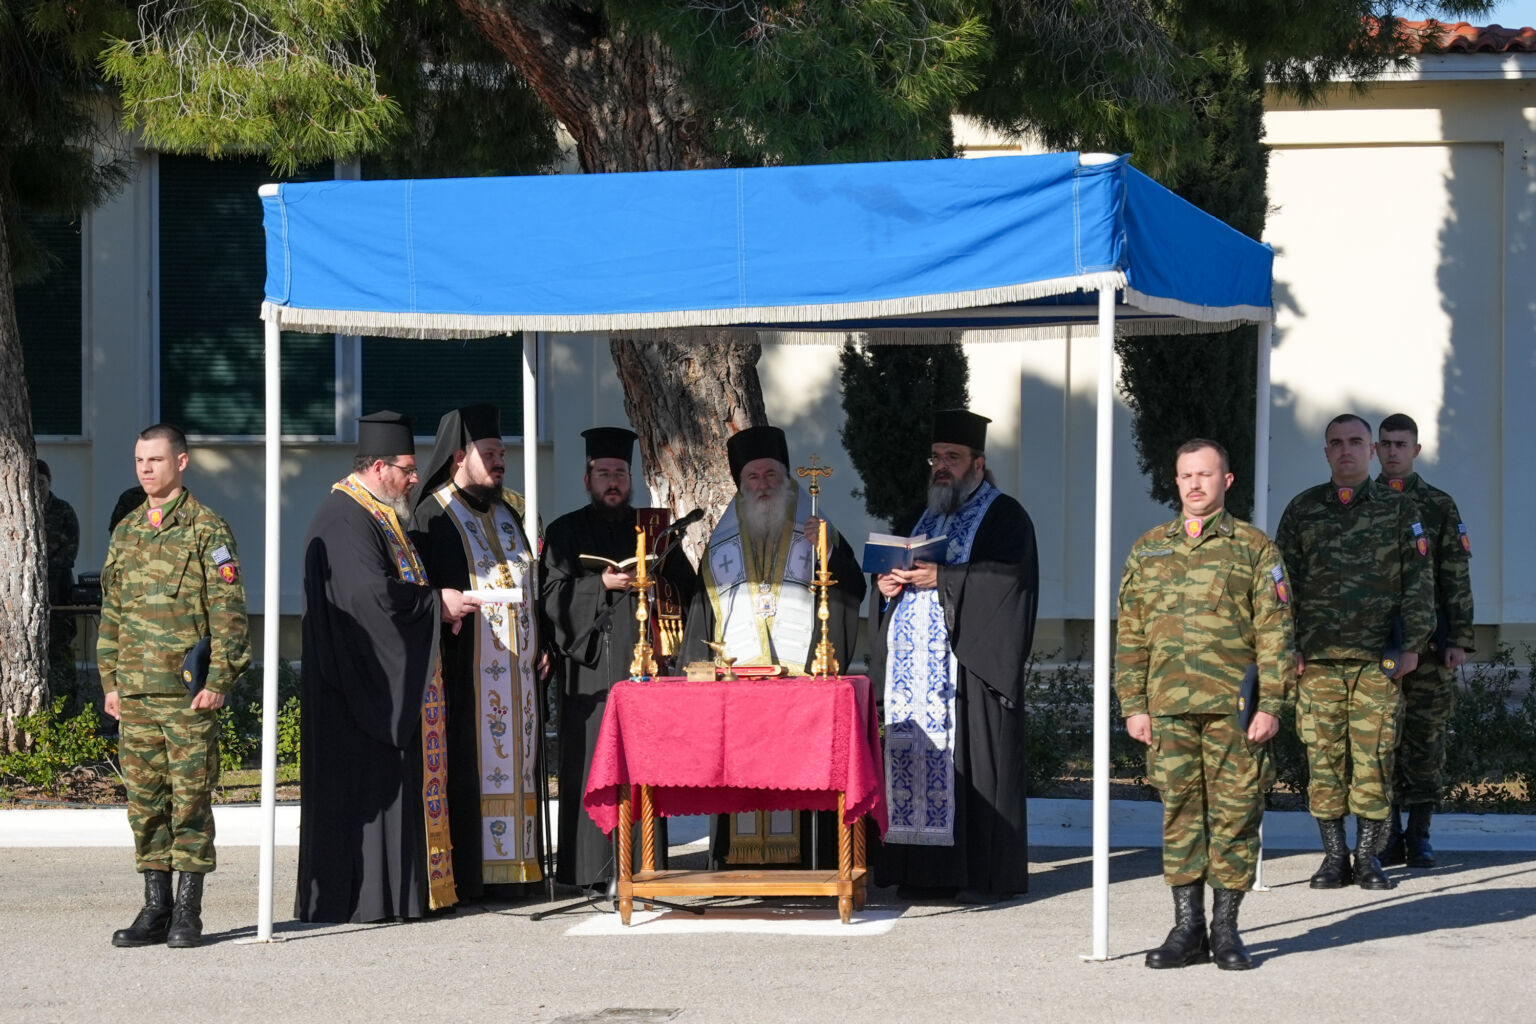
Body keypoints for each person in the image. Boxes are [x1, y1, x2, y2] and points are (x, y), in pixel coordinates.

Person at [1116, 439, 1295, 971]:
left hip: (1233, 709)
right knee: (1180, 814)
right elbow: (1132, 632)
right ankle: (1186, 928)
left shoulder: (1254, 548)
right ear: (1176, 481)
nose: (1195, 484)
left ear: (1227, 481)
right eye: (1186, 475)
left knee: (1236, 814)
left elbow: (1276, 633)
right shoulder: (1149, 548)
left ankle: (1226, 929)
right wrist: (1133, 704)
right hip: (1168, 708)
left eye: (1206, 474)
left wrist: (1271, 705)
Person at [296, 411, 479, 923]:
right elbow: (368, 597)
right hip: (357, 692)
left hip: (378, 679)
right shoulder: (344, 516)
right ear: (378, 468)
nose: (415, 478)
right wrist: (434, 605)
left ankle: (404, 894)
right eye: (408, 468)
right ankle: (371, 898)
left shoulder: (377, 512)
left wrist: (434, 611)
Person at [868, 410, 1039, 904]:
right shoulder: (918, 516)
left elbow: (1010, 583)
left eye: (953, 457)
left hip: (967, 677)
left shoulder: (1005, 516)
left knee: (971, 772)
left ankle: (976, 874)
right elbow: (891, 580)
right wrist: (886, 588)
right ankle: (918, 873)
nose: (942, 466)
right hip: (913, 681)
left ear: (978, 464)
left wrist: (942, 579)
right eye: (936, 457)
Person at [679, 424, 865, 867]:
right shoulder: (721, 544)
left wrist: (826, 551)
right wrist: (695, 670)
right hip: (738, 683)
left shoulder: (817, 527)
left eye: (770, 475)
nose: (763, 485)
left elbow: (852, 588)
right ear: (741, 485)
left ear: (786, 478)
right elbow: (703, 612)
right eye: (753, 477)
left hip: (800, 681)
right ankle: (738, 864)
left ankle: (811, 866)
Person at [98, 424, 250, 948]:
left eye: (156, 460)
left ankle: (188, 912)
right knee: (144, 805)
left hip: (187, 696)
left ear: (181, 463)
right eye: (140, 460)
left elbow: (228, 612)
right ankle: (154, 908)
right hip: (136, 693)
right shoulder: (127, 530)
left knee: (189, 803)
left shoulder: (207, 529)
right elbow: (112, 612)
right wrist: (111, 681)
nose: (146, 469)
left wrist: (220, 678)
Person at [1275, 413, 1435, 891]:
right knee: (1323, 759)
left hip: (1377, 660)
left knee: (1374, 759)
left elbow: (1419, 583)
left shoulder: (1399, 509)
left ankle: (1367, 859)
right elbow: (1281, 588)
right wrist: (1288, 647)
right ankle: (1332, 858)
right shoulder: (1302, 509)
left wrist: (1412, 647)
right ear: (1326, 451)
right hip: (1318, 660)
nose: (1346, 449)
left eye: (1355, 441)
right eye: (1336, 442)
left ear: (1371, 451)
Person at [540, 426, 699, 890]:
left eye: (620, 474)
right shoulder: (565, 531)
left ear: (631, 480)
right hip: (590, 672)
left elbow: (689, 592)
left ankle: (644, 861)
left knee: (642, 762)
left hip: (645, 667)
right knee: (591, 761)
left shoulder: (656, 529)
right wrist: (600, 586)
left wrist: (657, 580)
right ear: (587, 479)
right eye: (604, 473)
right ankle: (587, 868)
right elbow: (550, 596)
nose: (613, 482)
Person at [409, 404, 543, 901]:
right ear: (459, 457)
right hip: (467, 671)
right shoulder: (433, 513)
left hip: (519, 674)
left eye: (502, 453)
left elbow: (532, 586)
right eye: (490, 454)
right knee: (473, 769)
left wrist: (544, 642)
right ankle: (476, 875)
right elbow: (424, 591)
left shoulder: (509, 511)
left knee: (521, 766)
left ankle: (522, 869)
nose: (500, 462)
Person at [1373, 413, 1474, 868]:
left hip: (1432, 646)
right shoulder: (1364, 502)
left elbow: (1455, 575)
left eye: (1401, 444)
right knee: (1380, 740)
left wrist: (1460, 638)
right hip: (1377, 644)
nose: (1392, 451)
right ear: (1375, 449)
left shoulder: (1438, 505)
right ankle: (1388, 835)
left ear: (1415, 450)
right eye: (1386, 443)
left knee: (1426, 740)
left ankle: (1420, 835)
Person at [38, 460, 81, 710]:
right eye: (33, 482)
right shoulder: (22, 509)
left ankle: (67, 706)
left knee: (60, 649)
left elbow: (70, 552)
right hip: (29, 595)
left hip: (58, 591)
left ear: (49, 481)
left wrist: (42, 569)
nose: (38, 487)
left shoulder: (63, 510)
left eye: (41, 482)